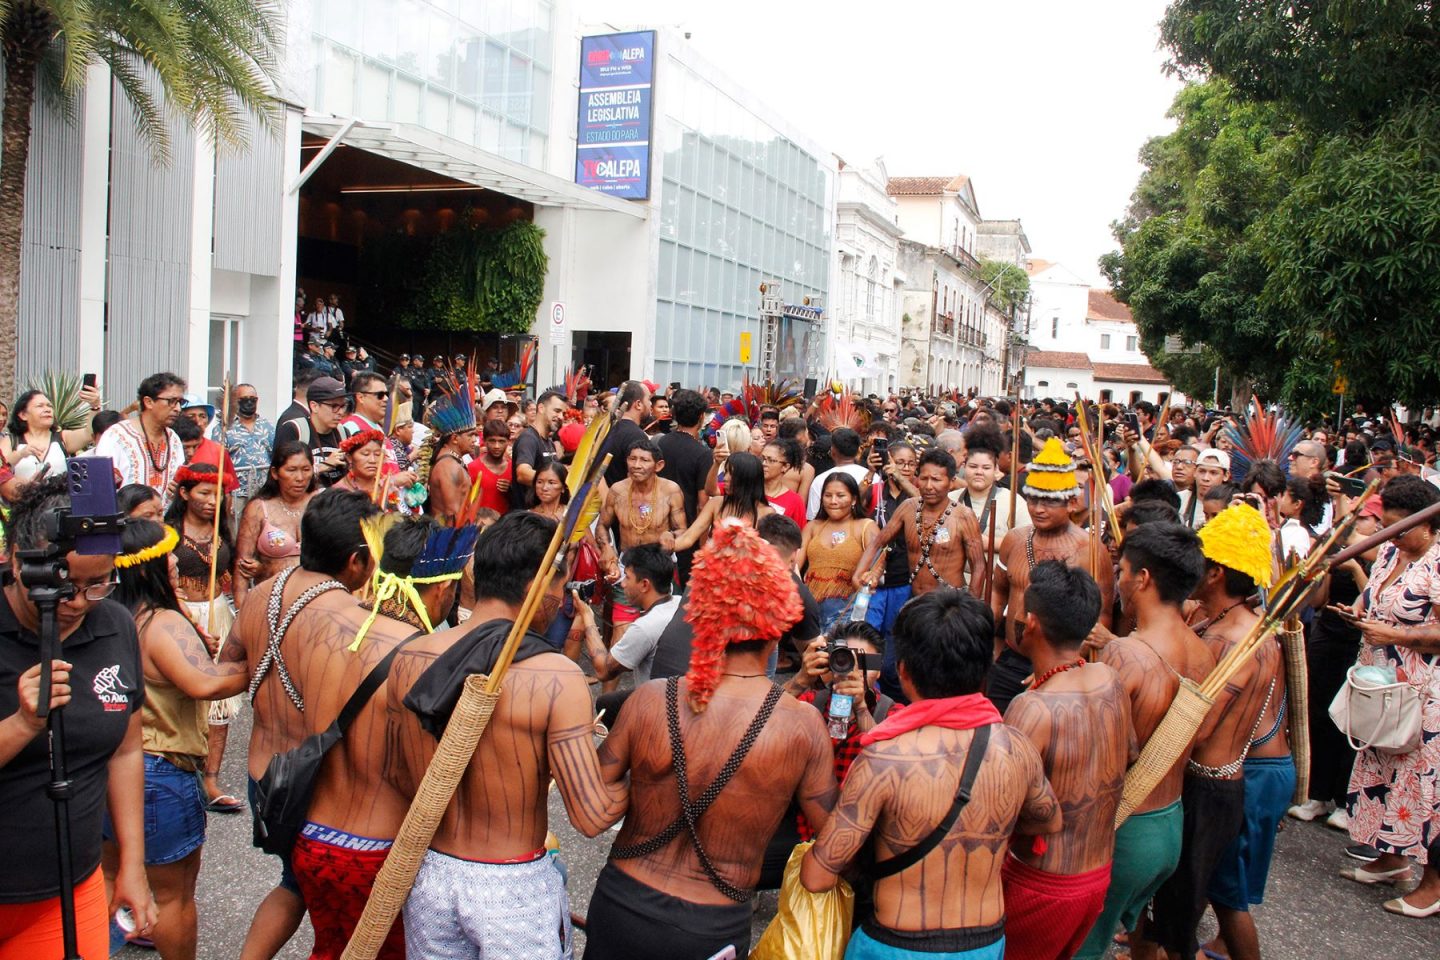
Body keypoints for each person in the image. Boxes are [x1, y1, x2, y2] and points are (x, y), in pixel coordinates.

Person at [584, 521, 837, 960]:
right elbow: (832, 842)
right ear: (778, 626)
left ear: (702, 616)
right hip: (711, 925)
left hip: (621, 904)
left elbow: (592, 810)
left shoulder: (648, 701)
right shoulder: (801, 726)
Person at [382, 511, 628, 959]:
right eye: (560, 586)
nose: (560, 599)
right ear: (538, 583)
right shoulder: (556, 676)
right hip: (513, 886)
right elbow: (593, 816)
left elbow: (396, 776)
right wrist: (643, 761)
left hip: (431, 877)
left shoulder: (409, 657)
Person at [799, 588, 1061, 959]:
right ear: (985, 669)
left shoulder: (883, 758)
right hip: (984, 943)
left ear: (903, 673)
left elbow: (817, 876)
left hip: (895, 946)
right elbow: (1047, 821)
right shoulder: (1016, 747)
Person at [0, 477, 157, 958]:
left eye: (98, 583)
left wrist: (132, 863)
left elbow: (127, 749)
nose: (77, 602)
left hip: (68, 890)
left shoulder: (113, 625)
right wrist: (23, 724)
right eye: (63, 583)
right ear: (16, 559)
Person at [236, 490, 381, 960]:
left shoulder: (261, 595)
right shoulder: (353, 622)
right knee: (315, 892)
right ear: (357, 562)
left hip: (261, 776)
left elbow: (229, 667)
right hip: (308, 789)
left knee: (292, 883)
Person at [108, 519, 249, 959]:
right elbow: (204, 684)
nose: (175, 560)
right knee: (173, 895)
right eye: (165, 554)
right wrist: (262, 663)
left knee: (110, 881)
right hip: (158, 772)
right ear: (146, 567)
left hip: (112, 770)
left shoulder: (109, 617)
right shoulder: (160, 621)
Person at [1078, 523, 1215, 960]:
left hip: (1125, 828)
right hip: (1168, 823)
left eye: (1121, 569)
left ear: (1143, 579)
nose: (1117, 579)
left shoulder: (1124, 655)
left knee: (1079, 948)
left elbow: (1101, 757)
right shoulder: (1202, 649)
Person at [1002, 561, 1132, 960]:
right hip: (1096, 875)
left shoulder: (1032, 709)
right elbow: (1132, 754)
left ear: (1033, 623)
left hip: (1041, 883)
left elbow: (1003, 810)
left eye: (1020, 613)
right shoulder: (1109, 679)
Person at [1189, 505, 1294, 960]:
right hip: (1253, 767)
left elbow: (1202, 725)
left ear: (1213, 573)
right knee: (1211, 879)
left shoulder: (1233, 640)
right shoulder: (1238, 623)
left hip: (1248, 771)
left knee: (1228, 893)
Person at [1334, 474, 1440, 917]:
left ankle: (1433, 884)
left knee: (1422, 786)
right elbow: (1378, 597)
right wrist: (1360, 609)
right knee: (1383, 768)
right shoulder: (1391, 554)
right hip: (1380, 685)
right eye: (1388, 525)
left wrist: (1396, 633)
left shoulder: (1437, 562)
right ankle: (1391, 857)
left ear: (1430, 526)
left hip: (1423, 692)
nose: (1391, 534)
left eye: (1400, 526)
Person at [989, 438, 1115, 714]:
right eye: (1033, 499)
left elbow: (1101, 620)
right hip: (1009, 659)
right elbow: (998, 592)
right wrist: (989, 642)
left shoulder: (1090, 551)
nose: (1038, 508)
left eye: (1048, 501)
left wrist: (1058, 666)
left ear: (1071, 502)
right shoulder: (1014, 539)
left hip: (1061, 669)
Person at [1291, 494, 1382, 827]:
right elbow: (1318, 600)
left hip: (1362, 644)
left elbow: (1377, 602)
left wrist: (1356, 568)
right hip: (1328, 635)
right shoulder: (1338, 545)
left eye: (1364, 520)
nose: (1357, 527)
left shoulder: (1386, 557)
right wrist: (1321, 571)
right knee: (1319, 713)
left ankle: (1345, 802)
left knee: (1351, 723)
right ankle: (1317, 794)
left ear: (1378, 524)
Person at [162, 464, 245, 815]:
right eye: (203, 493)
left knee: (218, 704)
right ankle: (181, 772)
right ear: (184, 494)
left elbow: (234, 567)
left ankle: (211, 778)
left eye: (217, 494)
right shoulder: (167, 533)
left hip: (217, 614)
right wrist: (188, 623)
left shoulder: (223, 529)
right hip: (181, 617)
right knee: (181, 698)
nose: (213, 501)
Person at [579, 544, 680, 686]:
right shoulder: (681, 603)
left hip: (655, 701)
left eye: (627, 577)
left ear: (645, 584)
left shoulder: (645, 627)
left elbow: (603, 670)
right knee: (607, 701)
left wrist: (587, 617)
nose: (623, 584)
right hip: (679, 690)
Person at [233, 441, 317, 610]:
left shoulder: (321, 502)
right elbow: (241, 566)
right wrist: (241, 612)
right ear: (275, 473)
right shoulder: (258, 508)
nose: (300, 478)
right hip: (272, 603)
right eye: (291, 470)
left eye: (306, 470)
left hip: (315, 602)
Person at [802, 472, 878, 630]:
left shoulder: (865, 526)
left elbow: (876, 568)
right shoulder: (813, 527)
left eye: (840, 495)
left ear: (854, 499)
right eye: (828, 495)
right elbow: (794, 564)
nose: (833, 501)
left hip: (848, 611)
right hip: (810, 612)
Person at [96, 372, 187, 500]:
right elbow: (101, 487)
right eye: (171, 401)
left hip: (164, 519)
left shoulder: (173, 439)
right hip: (126, 519)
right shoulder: (116, 436)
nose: (178, 408)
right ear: (148, 402)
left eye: (180, 402)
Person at [656, 389, 713, 586]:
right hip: (686, 535)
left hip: (658, 524)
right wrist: (702, 545)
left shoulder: (661, 442)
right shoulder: (703, 454)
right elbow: (702, 503)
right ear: (701, 417)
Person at [666, 450, 771, 552]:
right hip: (713, 568)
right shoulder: (716, 503)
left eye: (732, 474)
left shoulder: (767, 513)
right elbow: (688, 538)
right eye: (725, 472)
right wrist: (661, 549)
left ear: (747, 479)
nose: (725, 478)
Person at [2, 383, 102, 480]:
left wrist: (95, 406)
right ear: (23, 415)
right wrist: (20, 454)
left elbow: (89, 433)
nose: (47, 409)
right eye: (40, 406)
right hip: (23, 496)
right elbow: (2, 470)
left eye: (49, 406)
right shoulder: (10, 441)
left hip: (60, 496)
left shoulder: (63, 438)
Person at [951, 423, 1030, 539]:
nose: (979, 472)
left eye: (986, 468)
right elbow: (939, 538)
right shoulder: (950, 499)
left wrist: (989, 544)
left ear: (995, 469)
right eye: (973, 466)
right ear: (964, 466)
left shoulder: (1013, 501)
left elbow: (1026, 540)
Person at [273, 376, 347, 488]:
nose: (340, 412)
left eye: (343, 406)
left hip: (336, 501)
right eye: (334, 406)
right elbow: (280, 474)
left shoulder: (343, 432)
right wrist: (324, 466)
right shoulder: (294, 429)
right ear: (314, 406)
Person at [509, 389, 567, 511]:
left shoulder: (548, 442)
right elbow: (522, 473)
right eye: (557, 411)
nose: (561, 417)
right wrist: (557, 481)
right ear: (541, 408)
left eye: (563, 413)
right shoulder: (528, 438)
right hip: (527, 520)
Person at [225, 383, 275, 519]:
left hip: (263, 491)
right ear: (235, 401)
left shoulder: (267, 426)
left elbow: (275, 455)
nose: (249, 402)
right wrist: (226, 494)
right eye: (244, 398)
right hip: (237, 493)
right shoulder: (225, 427)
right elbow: (220, 461)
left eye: (253, 399)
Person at [807, 427, 869, 520]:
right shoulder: (873, 478)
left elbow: (812, 517)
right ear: (858, 451)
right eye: (828, 495)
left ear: (832, 451)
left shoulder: (820, 480)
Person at [604, 380, 653, 487]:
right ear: (638, 404)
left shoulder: (607, 429)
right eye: (649, 399)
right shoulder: (637, 436)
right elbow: (637, 480)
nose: (651, 404)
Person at [465, 419, 512, 517]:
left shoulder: (513, 469)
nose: (496, 446)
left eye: (501, 441)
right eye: (492, 441)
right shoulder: (472, 468)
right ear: (485, 441)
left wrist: (512, 490)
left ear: (508, 442)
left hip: (505, 527)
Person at [763, 438, 808, 528]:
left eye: (771, 460)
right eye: (763, 458)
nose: (764, 463)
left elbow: (799, 535)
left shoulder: (794, 501)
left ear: (785, 467)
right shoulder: (750, 489)